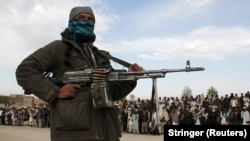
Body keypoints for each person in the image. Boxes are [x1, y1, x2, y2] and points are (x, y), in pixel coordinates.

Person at [16, 6, 144, 141]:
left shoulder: (99, 55)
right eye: (81, 18)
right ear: (71, 21)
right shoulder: (58, 48)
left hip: (106, 131)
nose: (86, 22)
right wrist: (55, 92)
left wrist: (129, 79)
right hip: (74, 132)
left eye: (90, 19)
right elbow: (24, 71)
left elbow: (112, 93)